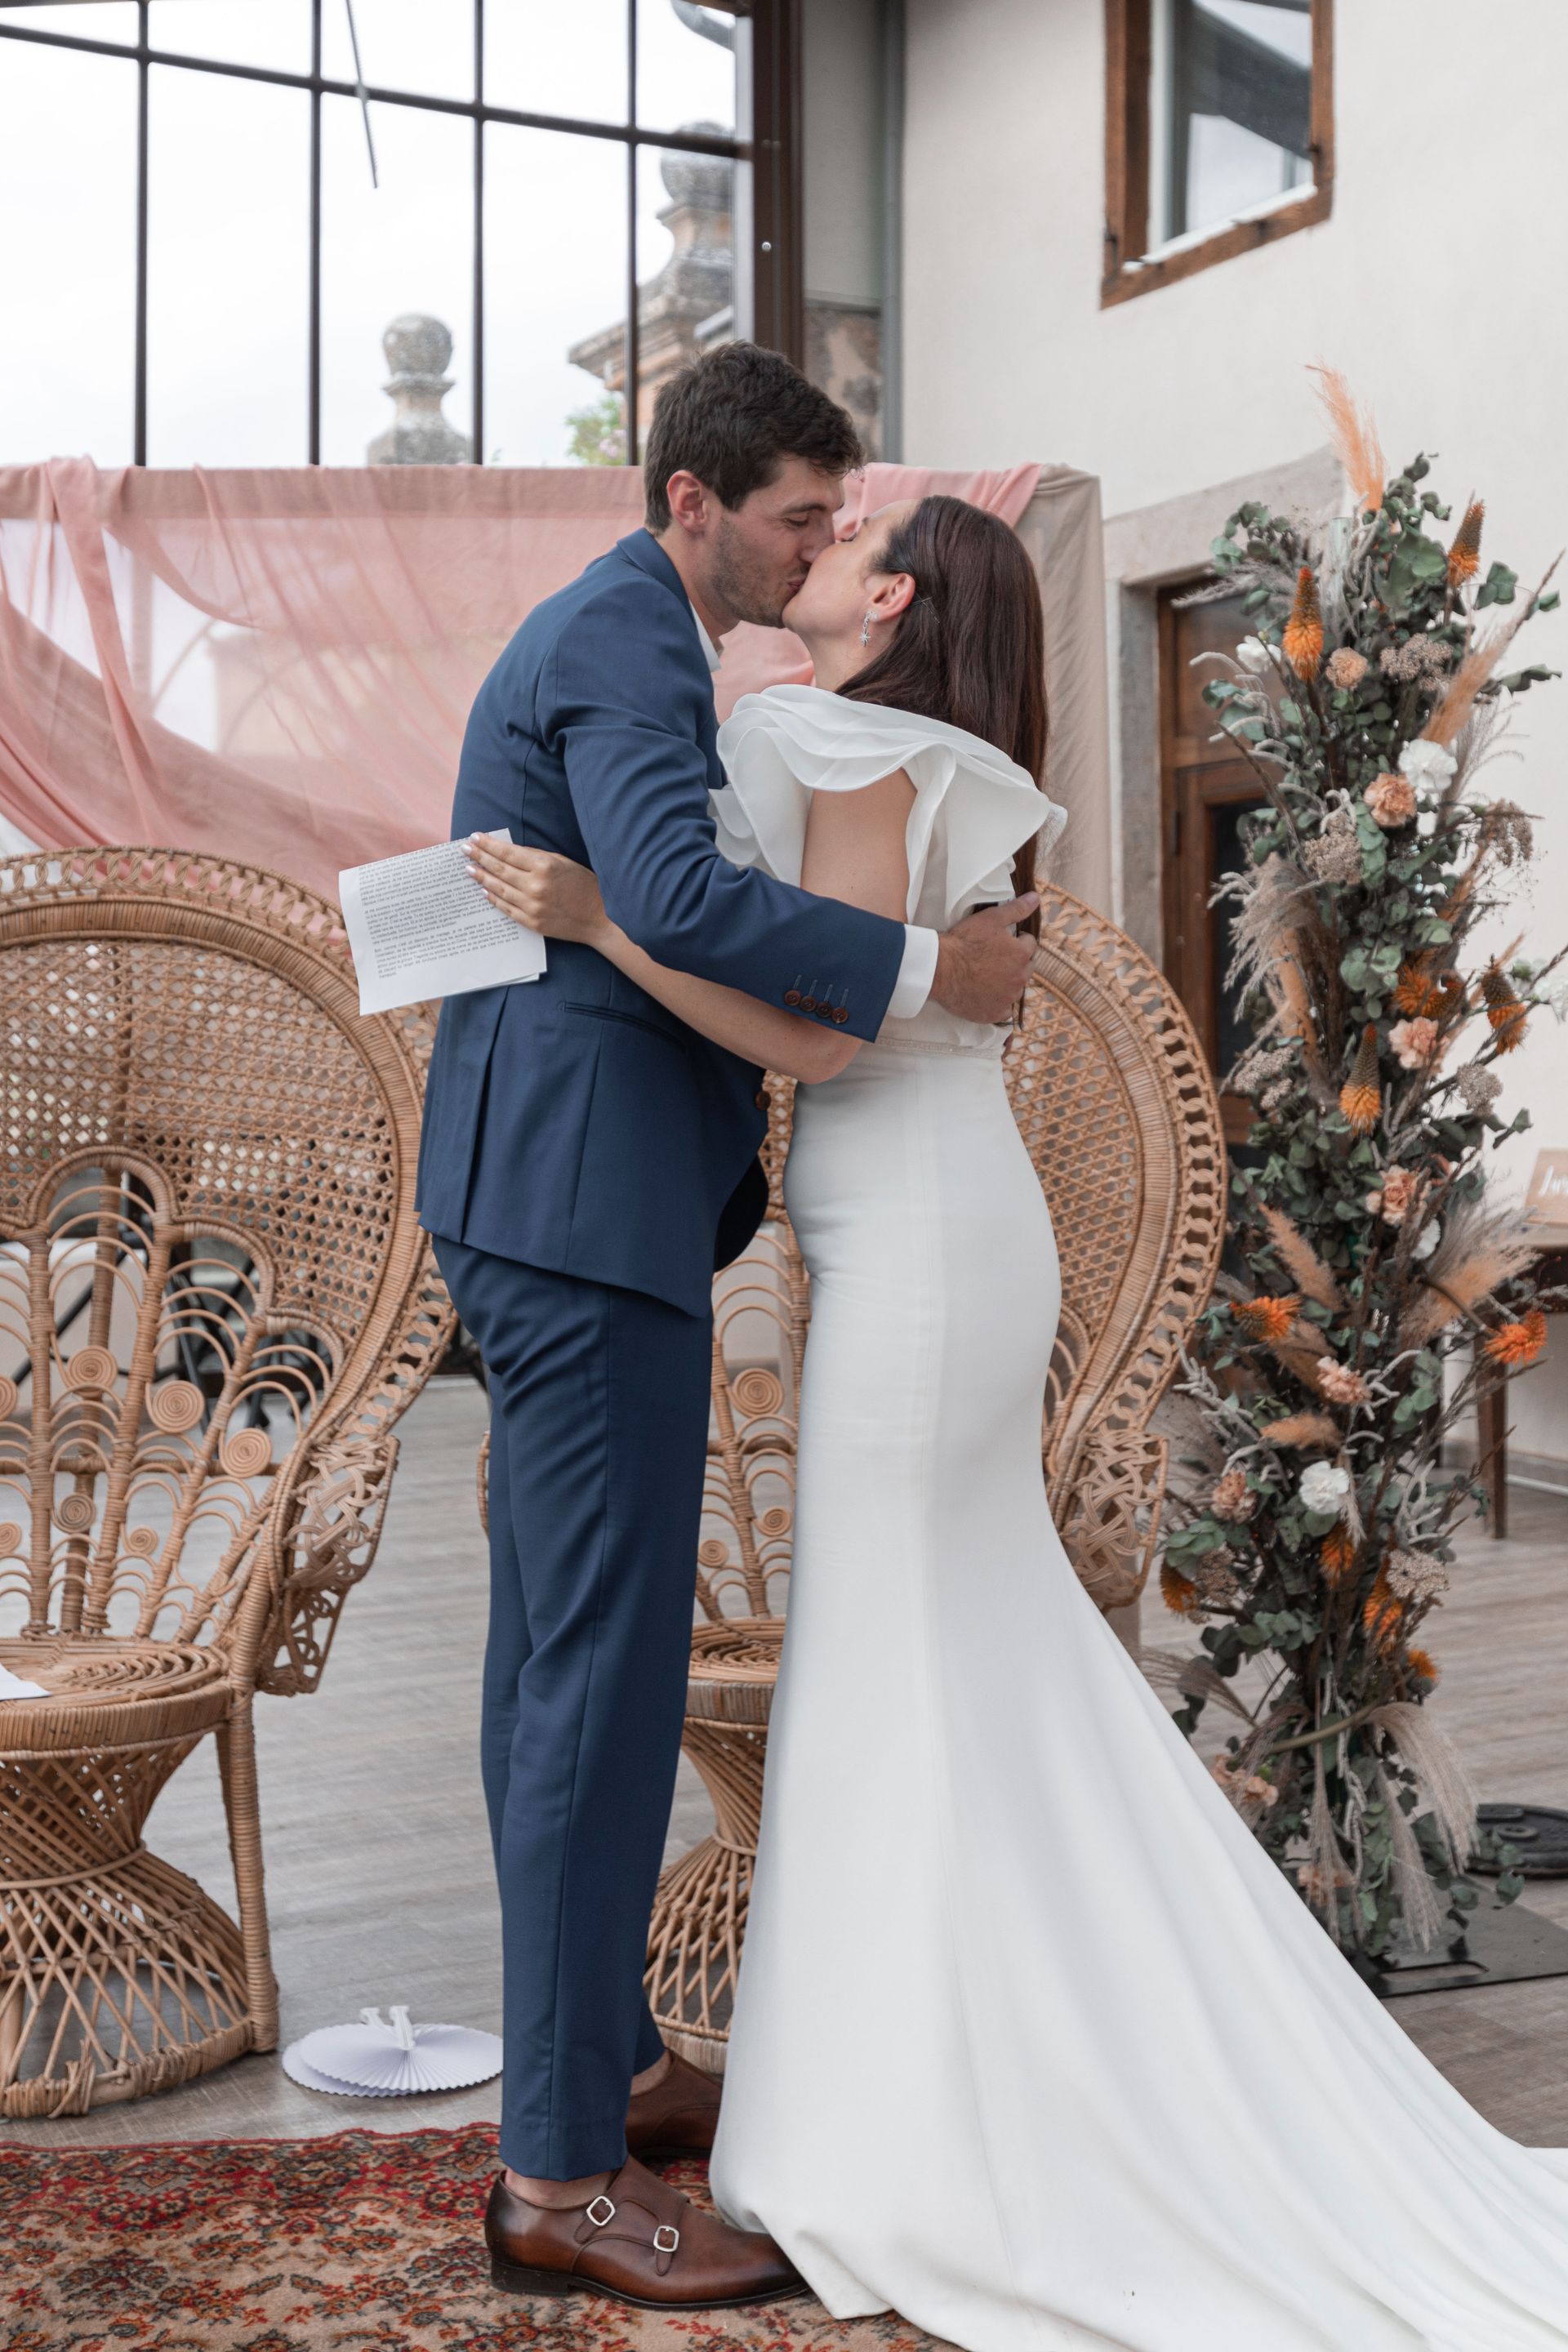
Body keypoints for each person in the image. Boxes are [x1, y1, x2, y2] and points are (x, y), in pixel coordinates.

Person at [476, 491, 1568, 2352]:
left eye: (850, 537)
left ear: (887, 599)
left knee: (893, 1661)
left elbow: (809, 1034)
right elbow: (868, 989)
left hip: (913, 1261)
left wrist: (592, 916)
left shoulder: (835, 733)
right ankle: (1021, 2050)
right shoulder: (945, 751)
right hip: (957, 1238)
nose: (820, 547)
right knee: (968, 1652)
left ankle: (906, 2118)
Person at [416, 344, 1036, 2314]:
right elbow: (667, 892)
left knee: (566, 1675)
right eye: (796, 514)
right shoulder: (629, 636)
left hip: (570, 1201)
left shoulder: (630, 634)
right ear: (691, 502)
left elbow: (616, 894)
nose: (820, 541)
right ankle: (559, 2179)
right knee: (597, 1696)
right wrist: (934, 962)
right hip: (584, 1219)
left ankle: (594, 2070)